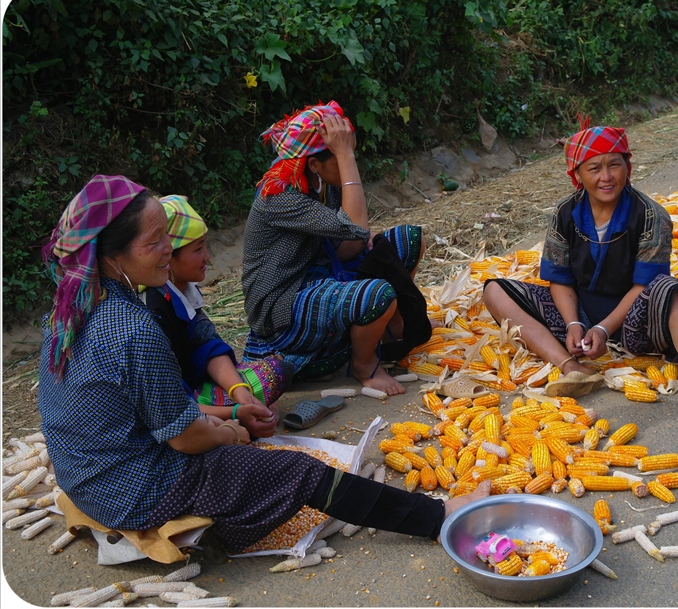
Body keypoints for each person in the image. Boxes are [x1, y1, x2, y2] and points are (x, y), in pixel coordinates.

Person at [37, 175, 489, 555]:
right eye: (156, 243)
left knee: (246, 442)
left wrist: (233, 410)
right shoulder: (132, 326)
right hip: (132, 490)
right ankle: (439, 516)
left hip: (86, 476)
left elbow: (159, 396)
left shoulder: (71, 305)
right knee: (300, 473)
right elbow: (184, 438)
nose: (166, 252)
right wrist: (228, 431)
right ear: (112, 255)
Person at [482, 121, 678, 444]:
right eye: (594, 168)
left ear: (628, 167)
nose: (606, 177)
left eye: (614, 164)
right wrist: (573, 322)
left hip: (635, 320)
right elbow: (559, 279)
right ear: (577, 175)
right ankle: (570, 365)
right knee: (494, 290)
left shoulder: (650, 215)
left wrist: (604, 329)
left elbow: (645, 285)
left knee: (671, 293)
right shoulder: (565, 213)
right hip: (580, 311)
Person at [242, 100, 429, 397]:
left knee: (408, 240)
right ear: (314, 165)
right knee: (378, 295)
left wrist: (364, 236)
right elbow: (356, 228)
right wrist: (345, 156)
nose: (349, 164)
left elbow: (352, 240)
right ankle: (364, 365)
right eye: (343, 158)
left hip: (326, 269)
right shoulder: (280, 196)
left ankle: (372, 334)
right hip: (283, 301)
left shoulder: (322, 182)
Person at [142, 195, 292, 439]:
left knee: (275, 371)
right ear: (169, 256)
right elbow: (168, 406)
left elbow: (207, 345)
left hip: (193, 389)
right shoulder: (153, 312)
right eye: (198, 249)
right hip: (176, 408)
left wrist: (240, 392)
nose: (207, 257)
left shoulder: (184, 289)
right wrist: (235, 414)